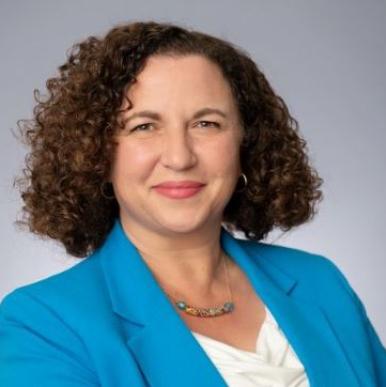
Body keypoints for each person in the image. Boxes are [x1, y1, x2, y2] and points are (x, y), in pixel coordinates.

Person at [0, 20, 384, 387]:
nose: (180, 157)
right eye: (144, 126)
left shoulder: (321, 283)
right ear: (96, 155)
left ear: (245, 143)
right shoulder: (42, 323)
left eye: (206, 124)